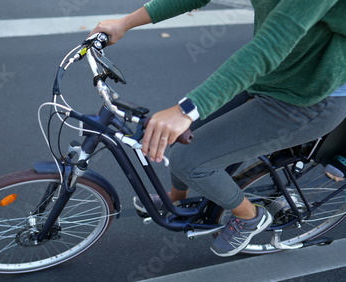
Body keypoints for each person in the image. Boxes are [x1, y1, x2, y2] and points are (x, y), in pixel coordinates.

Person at [90, 0, 346, 257]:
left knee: (189, 161)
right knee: (183, 139)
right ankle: (175, 199)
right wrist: (125, 23)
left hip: (309, 100)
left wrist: (185, 110)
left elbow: (269, 47)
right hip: (270, 79)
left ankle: (250, 217)